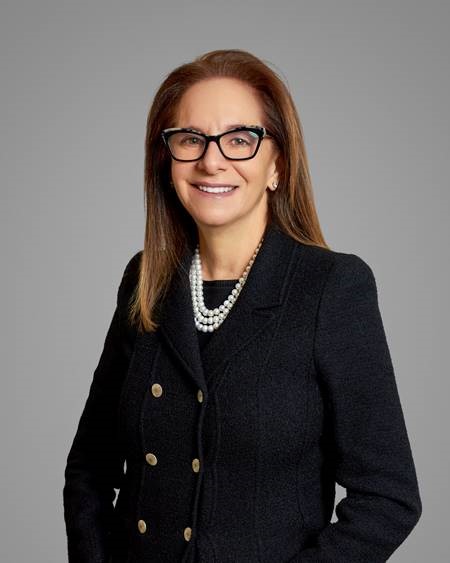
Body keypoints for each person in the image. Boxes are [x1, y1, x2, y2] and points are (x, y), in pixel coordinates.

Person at [63, 49, 422, 563]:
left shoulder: (331, 287)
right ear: (166, 161)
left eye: (239, 139)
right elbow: (90, 470)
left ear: (278, 164)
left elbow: (388, 499)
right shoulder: (146, 279)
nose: (211, 161)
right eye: (190, 139)